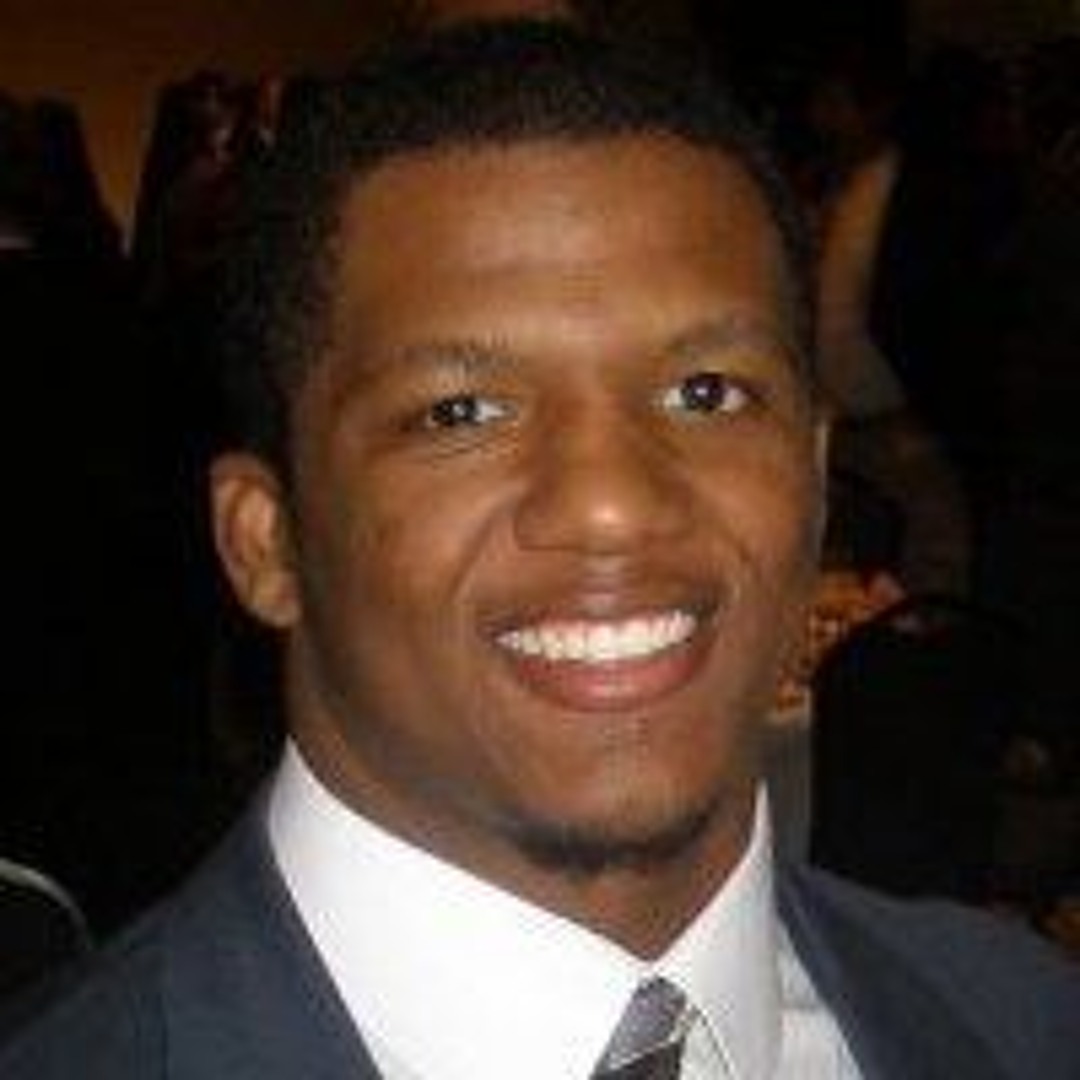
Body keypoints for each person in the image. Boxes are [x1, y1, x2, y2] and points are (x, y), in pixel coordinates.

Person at [1, 21, 1076, 1079]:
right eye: (461, 411)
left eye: (706, 392)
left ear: (814, 470)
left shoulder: (1028, 1021)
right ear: (264, 541)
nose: (612, 505)